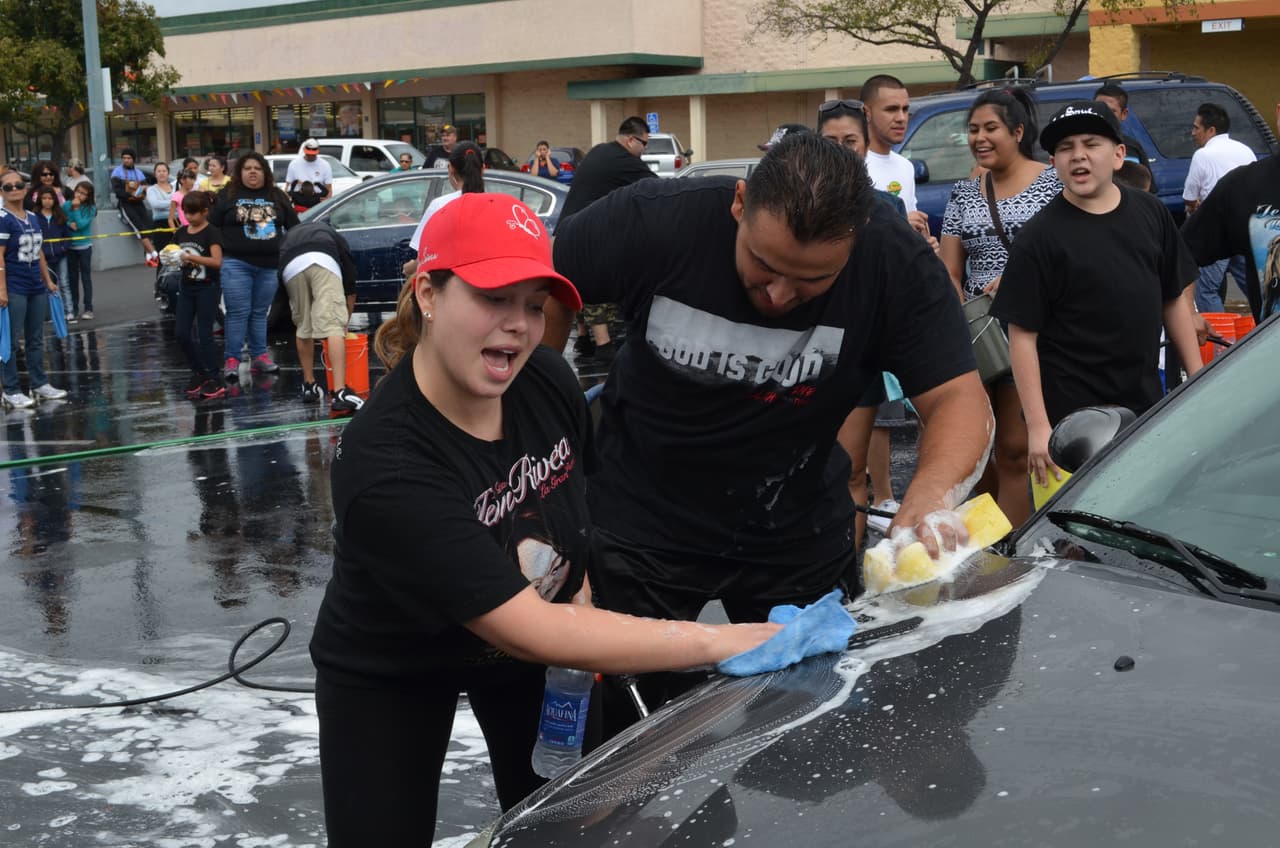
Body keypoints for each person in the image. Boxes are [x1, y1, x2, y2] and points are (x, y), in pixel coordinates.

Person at [310, 192, 802, 846]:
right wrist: (728, 641)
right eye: (494, 298)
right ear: (428, 292)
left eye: (533, 305)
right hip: (396, 663)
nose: (518, 325)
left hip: (532, 655)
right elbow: (530, 627)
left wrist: (581, 584)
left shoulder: (545, 379)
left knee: (570, 829)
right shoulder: (386, 463)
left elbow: (574, 501)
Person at [549, 133, 992, 727]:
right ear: (740, 204)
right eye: (764, 265)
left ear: (856, 239)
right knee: (628, 735)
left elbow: (959, 398)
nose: (780, 295)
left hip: (795, 527)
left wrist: (930, 495)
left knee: (813, 729)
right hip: (638, 522)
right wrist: (538, 425)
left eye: (812, 280)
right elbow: (540, 285)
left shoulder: (893, 260)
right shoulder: (653, 220)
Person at [992, 101, 1203, 488]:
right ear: (1053, 162)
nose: (1078, 156)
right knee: (1077, 519)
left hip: (1143, 405)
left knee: (1143, 504)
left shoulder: (1151, 213)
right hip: (1070, 424)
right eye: (1065, 148)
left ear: (1119, 155)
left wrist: (1198, 381)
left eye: (1091, 144)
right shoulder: (1039, 238)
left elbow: (1173, 298)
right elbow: (1021, 336)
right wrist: (1039, 427)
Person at [939, 88, 1061, 529]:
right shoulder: (964, 193)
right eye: (973, 130)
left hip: (1029, 330)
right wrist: (959, 313)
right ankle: (986, 537)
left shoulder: (1053, 183)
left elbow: (1066, 251)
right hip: (976, 332)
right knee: (974, 449)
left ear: (1018, 131)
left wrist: (1017, 280)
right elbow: (950, 268)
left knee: (1013, 447)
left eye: (990, 128)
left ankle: (1013, 546)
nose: (980, 138)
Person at [816, 99, 909, 543]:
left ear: (864, 145)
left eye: (849, 141)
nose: (840, 149)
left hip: (859, 354)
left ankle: (846, 571)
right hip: (803, 356)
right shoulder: (794, 202)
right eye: (830, 141)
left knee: (851, 471)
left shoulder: (886, 207)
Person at [560, 116, 657, 360]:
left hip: (565, 232)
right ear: (630, 140)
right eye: (644, 144)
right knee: (597, 283)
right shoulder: (624, 161)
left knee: (578, 286)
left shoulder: (600, 151)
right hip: (585, 234)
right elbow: (656, 189)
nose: (645, 150)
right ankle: (603, 346)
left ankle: (584, 339)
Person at [1181, 103, 1280, 321]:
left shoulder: (1204, 155)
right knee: (1211, 287)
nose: (1193, 133)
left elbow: (1189, 197)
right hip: (1274, 347)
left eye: (1196, 128)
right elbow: (1182, 252)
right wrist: (1189, 317)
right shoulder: (1244, 182)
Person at [210, 152, 299, 381]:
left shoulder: (277, 195)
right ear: (239, 172)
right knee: (238, 312)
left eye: (257, 168)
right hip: (236, 264)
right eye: (247, 168)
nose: (252, 172)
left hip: (269, 266)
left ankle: (259, 356)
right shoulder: (227, 195)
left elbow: (294, 227)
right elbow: (212, 227)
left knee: (260, 313)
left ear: (265, 172)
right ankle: (232, 359)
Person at [278, 220, 362, 412]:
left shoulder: (290, 234)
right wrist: (344, 323)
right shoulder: (335, 237)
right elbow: (350, 285)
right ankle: (340, 392)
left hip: (290, 267)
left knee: (303, 326)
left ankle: (309, 386)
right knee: (333, 326)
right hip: (322, 261)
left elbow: (280, 270)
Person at [1, 172, 68, 409]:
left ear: (26, 188)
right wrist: (2, 289)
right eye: (8, 187)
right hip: (14, 286)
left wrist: (47, 280)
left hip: (35, 285)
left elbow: (38, 251)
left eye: (18, 185)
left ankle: (39, 383)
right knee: (10, 341)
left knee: (36, 338)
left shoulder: (32, 217)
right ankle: (10, 390)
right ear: (1, 192)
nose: (14, 189)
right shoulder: (3, 218)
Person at [859, 75, 931, 239]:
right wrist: (902, 223)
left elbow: (914, 224)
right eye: (891, 109)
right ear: (867, 113)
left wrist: (926, 244)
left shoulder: (905, 166)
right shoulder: (853, 166)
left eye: (905, 109)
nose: (901, 118)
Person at [401, 141, 486, 279]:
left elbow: (424, 255)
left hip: (451, 284)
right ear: (483, 169)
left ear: (451, 169)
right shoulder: (495, 204)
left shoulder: (439, 206)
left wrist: (409, 268)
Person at [171, 191, 226, 400]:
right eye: (186, 212)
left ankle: (214, 378)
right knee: (181, 333)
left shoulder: (212, 233)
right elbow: (173, 252)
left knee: (205, 335)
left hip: (207, 287)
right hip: (187, 287)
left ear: (205, 211)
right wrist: (170, 258)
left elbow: (217, 262)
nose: (189, 217)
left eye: (193, 213)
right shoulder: (181, 232)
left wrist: (191, 258)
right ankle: (199, 372)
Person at [1092, 83, 1154, 176]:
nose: (1104, 115)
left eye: (1112, 111)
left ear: (1124, 114)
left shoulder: (1131, 149)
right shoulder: (1080, 145)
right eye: (1099, 109)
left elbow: (1143, 183)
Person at [110, 148, 159, 266]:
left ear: (133, 159)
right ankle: (154, 254)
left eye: (129, 158)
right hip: (125, 204)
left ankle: (148, 255)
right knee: (139, 227)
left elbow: (145, 187)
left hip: (139, 203)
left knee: (148, 226)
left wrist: (143, 190)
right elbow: (117, 191)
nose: (126, 160)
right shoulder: (117, 172)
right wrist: (130, 195)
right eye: (124, 158)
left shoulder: (139, 173)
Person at [34, 186, 70, 324]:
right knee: (47, 285)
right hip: (44, 257)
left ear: (54, 200)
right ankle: (49, 315)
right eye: (44, 198)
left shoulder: (60, 216)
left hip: (60, 255)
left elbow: (67, 236)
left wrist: (63, 248)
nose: (47, 201)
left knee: (64, 283)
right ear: (40, 199)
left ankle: (68, 312)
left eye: (50, 198)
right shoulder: (35, 217)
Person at [62, 181, 97, 322]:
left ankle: (88, 308)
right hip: (70, 246)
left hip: (84, 247)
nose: (79, 195)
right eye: (78, 191)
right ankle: (74, 308)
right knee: (72, 278)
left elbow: (82, 224)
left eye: (83, 193)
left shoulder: (91, 208)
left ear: (88, 196)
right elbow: (60, 219)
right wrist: (68, 223)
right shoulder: (66, 205)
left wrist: (76, 209)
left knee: (86, 277)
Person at [285, 138, 333, 208]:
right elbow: (287, 187)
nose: (310, 156)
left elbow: (329, 188)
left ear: (318, 151)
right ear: (304, 150)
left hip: (318, 202)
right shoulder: (294, 164)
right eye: (308, 154)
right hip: (299, 201)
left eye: (313, 154)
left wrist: (327, 201)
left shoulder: (325, 165)